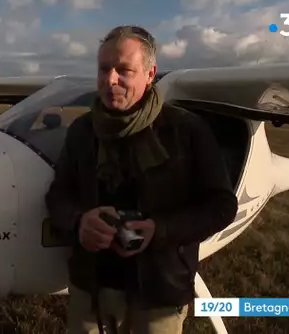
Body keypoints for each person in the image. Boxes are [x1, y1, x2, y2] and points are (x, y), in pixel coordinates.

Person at [44, 25, 238, 334]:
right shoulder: (82, 130)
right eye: (104, 69)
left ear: (150, 74)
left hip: (159, 290)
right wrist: (79, 222)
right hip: (91, 286)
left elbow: (221, 205)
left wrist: (158, 230)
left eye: (124, 70)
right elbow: (58, 195)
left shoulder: (187, 130)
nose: (110, 80)